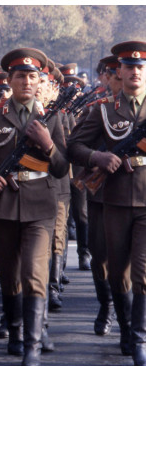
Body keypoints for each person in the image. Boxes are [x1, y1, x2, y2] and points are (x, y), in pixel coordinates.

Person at [0, 48, 69, 365]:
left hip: (40, 207)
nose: (27, 82)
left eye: (33, 76)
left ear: (40, 80)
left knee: (34, 272)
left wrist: (47, 144)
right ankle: (16, 329)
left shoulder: (51, 116)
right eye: (21, 76)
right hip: (3, 204)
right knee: (9, 274)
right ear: (10, 80)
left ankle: (33, 343)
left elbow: (61, 168)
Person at [67, 41, 146, 365]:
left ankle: (139, 339)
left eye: (141, 67)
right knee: (117, 272)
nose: (135, 72)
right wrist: (97, 156)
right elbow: (74, 145)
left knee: (143, 272)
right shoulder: (104, 109)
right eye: (129, 67)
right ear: (120, 71)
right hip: (113, 199)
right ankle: (126, 329)